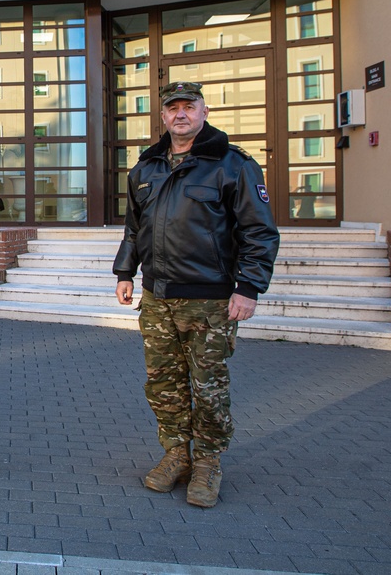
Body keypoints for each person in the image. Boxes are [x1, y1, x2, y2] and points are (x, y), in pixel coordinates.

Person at [113, 81, 279, 508]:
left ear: (204, 112)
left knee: (208, 385)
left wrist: (248, 287)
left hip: (210, 300)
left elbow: (259, 232)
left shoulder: (233, 165)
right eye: (173, 109)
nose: (181, 114)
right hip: (158, 297)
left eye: (189, 107)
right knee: (163, 383)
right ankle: (176, 454)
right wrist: (125, 271)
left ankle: (207, 462)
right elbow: (134, 228)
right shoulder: (145, 168)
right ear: (163, 117)